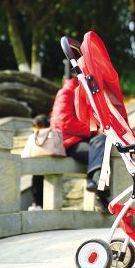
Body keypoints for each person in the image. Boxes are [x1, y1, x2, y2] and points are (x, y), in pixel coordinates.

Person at [47, 77, 108, 211]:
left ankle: (96, 182)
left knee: (102, 142)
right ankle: (101, 193)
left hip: (84, 139)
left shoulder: (88, 94)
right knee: (98, 154)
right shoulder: (66, 92)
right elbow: (65, 122)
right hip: (69, 142)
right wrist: (93, 131)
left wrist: (99, 130)